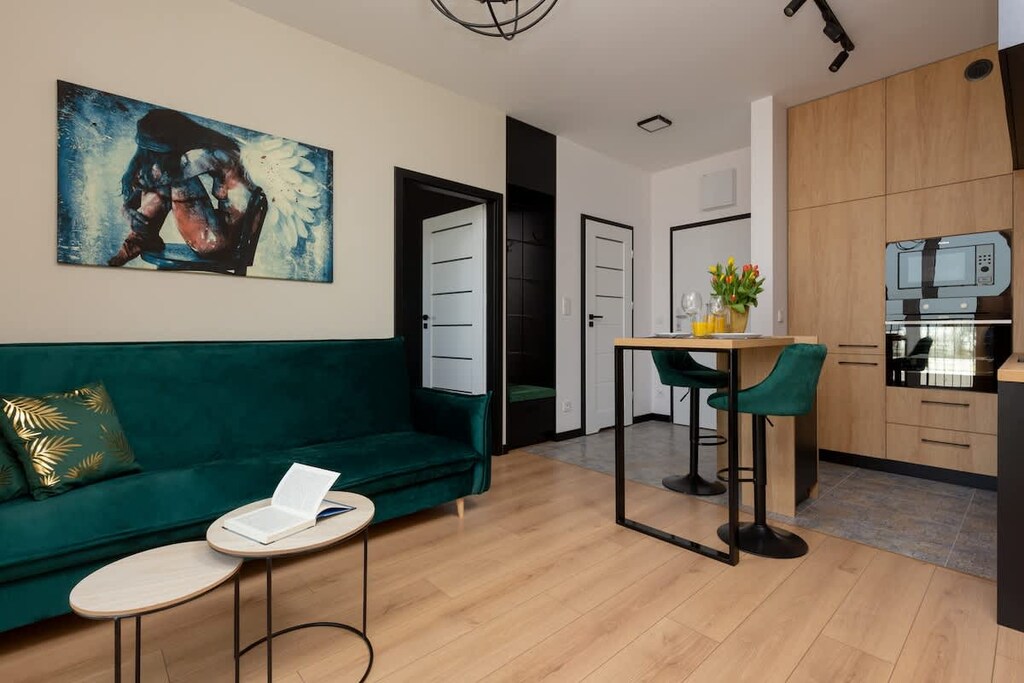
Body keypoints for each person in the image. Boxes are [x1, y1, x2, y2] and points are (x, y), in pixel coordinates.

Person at [108, 109, 259, 266]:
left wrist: (126, 210)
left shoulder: (210, 154)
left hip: (216, 243)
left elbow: (156, 177)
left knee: (170, 177)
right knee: (169, 176)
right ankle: (141, 238)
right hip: (223, 238)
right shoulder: (218, 150)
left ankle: (140, 239)